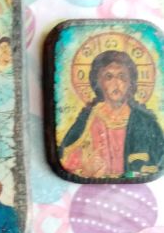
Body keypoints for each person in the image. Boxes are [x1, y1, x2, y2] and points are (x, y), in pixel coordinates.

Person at [60, 50, 164, 178]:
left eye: (122, 77)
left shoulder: (146, 123)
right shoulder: (88, 119)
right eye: (108, 77)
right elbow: (66, 159)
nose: (116, 83)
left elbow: (158, 161)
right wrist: (86, 167)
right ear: (98, 82)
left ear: (130, 83)